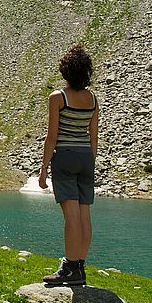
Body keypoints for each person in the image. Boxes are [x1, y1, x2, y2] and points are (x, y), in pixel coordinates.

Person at [37, 45, 98, 286]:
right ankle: (80, 267)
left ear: (66, 72)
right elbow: (93, 135)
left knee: (71, 216)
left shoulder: (58, 97)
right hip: (86, 157)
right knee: (84, 214)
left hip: (65, 156)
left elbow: (52, 136)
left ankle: (69, 268)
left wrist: (43, 167)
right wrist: (89, 161)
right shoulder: (92, 98)